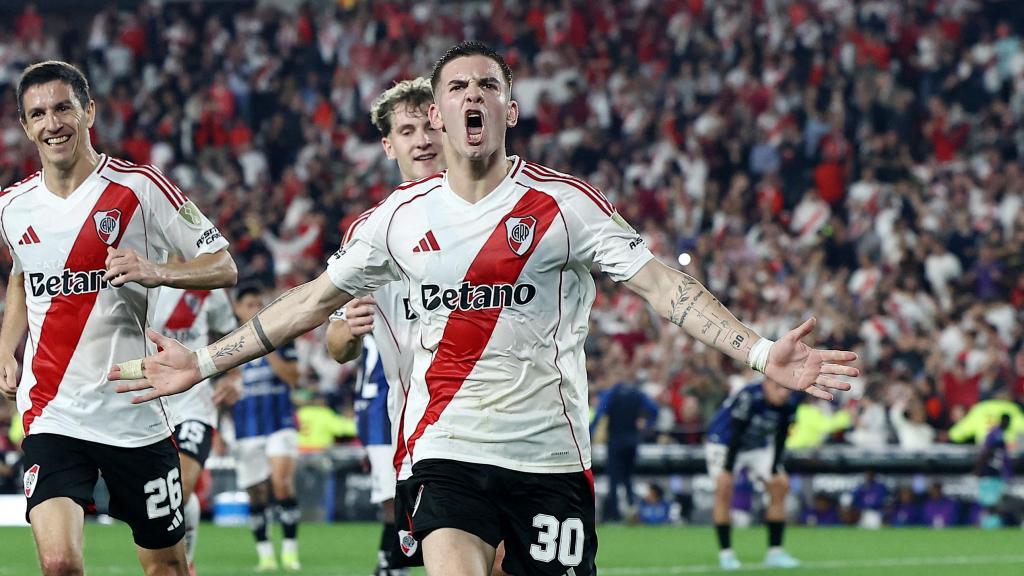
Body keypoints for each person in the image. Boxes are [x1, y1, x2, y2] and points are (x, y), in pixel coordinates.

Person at [111, 41, 859, 576]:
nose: (472, 97)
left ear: (509, 105)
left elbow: (664, 286)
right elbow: (309, 304)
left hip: (549, 458)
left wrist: (761, 353)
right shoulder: (394, 221)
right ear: (436, 114)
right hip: (445, 452)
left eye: (487, 86)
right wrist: (203, 363)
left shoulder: (564, 206)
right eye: (458, 88)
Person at [0, 61, 236, 576]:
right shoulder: (13, 206)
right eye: (37, 113)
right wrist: (5, 349)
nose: (52, 123)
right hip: (52, 412)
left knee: (167, 567)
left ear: (89, 111)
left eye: (63, 107)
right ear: (24, 126)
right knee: (59, 564)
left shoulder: (141, 187)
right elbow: (21, 276)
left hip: (134, 412)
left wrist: (156, 270)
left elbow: (223, 264)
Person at [324, 77, 445, 576]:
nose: (422, 140)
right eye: (407, 129)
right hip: (421, 423)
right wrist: (348, 328)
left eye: (429, 126)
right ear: (388, 144)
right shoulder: (372, 231)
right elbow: (334, 344)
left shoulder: (501, 208)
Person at [152, 286, 237, 573]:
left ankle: (186, 562)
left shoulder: (208, 286)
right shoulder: (139, 278)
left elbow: (231, 333)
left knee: (180, 487)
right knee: (158, 498)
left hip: (194, 405)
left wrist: (234, 377)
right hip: (149, 405)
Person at [223, 285, 302, 571]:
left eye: (259, 303)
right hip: (247, 426)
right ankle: (265, 554)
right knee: (256, 492)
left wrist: (265, 345)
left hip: (279, 422)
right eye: (250, 305)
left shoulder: (281, 335)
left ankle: (291, 552)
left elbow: (294, 377)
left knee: (281, 483)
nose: (255, 309)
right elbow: (225, 386)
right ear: (238, 309)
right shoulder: (228, 342)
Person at [704, 378, 802, 570]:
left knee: (780, 484)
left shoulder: (789, 402)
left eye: (786, 389)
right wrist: (727, 470)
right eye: (778, 388)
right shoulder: (750, 396)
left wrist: (774, 468)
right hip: (724, 442)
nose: (783, 393)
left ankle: (775, 552)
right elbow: (736, 432)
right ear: (767, 384)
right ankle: (726, 554)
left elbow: (782, 434)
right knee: (723, 489)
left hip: (757, 445)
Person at [589, 379, 659, 522]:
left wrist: (589, 433)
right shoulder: (637, 394)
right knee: (628, 477)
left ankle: (615, 514)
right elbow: (654, 410)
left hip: (615, 441)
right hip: (632, 441)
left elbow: (599, 413)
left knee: (613, 479)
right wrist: (646, 424)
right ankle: (631, 509)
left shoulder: (612, 394)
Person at [975, 413, 1014, 529]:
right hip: (990, 472)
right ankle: (985, 524)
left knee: (994, 502)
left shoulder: (999, 434)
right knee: (990, 502)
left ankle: (990, 524)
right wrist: (978, 468)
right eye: (1007, 422)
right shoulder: (996, 434)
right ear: (1004, 421)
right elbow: (987, 452)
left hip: (995, 473)